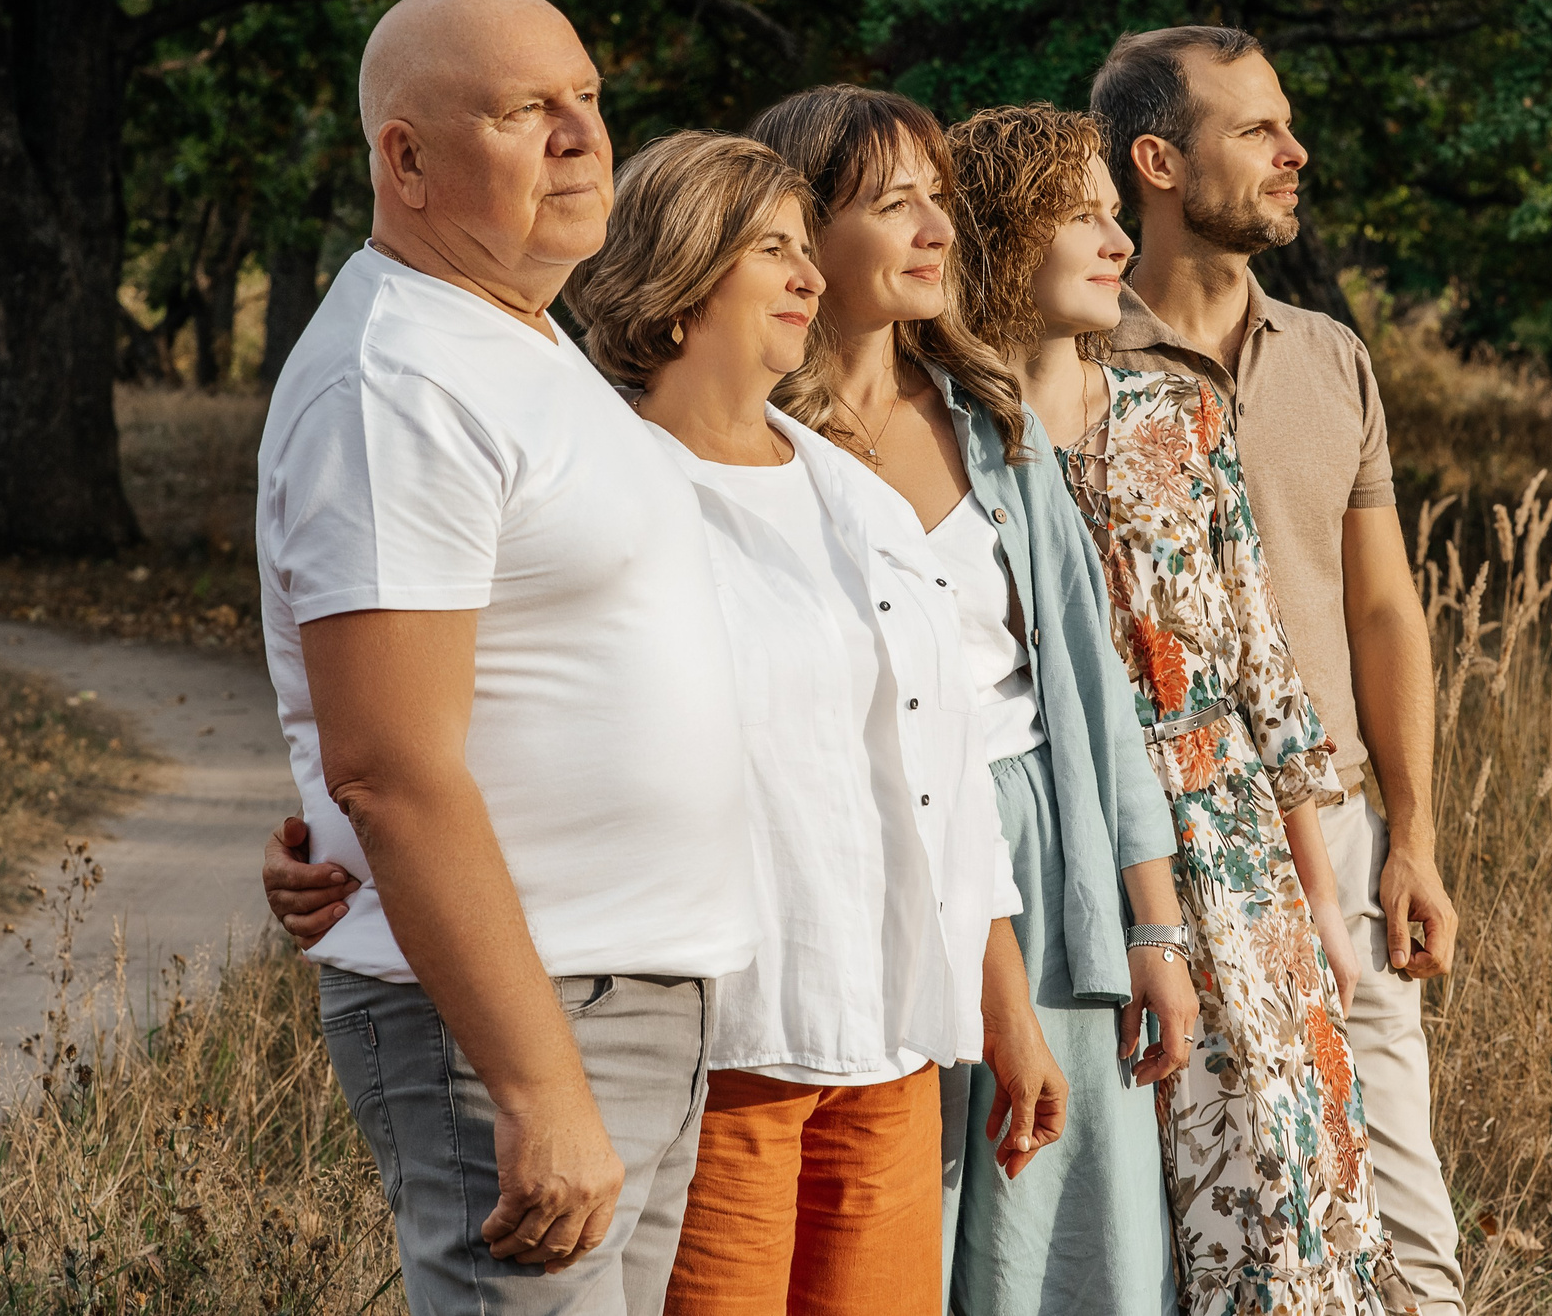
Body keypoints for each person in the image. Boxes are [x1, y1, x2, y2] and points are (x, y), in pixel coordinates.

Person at [255, 0, 755, 1316]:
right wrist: (537, 1085)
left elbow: (469, 688)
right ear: (404, 159)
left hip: (629, 997)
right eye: (529, 109)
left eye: (587, 98)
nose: (584, 136)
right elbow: (393, 767)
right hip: (525, 1021)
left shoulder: (520, 347)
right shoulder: (397, 383)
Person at [944, 105, 1413, 1316]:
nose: (1114, 241)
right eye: (1081, 216)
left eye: (1115, 211)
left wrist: (1316, 891)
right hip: (1054, 840)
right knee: (1099, 1195)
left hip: (1227, 840)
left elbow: (1262, 660)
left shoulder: (1173, 415)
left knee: (1272, 1170)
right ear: (1001, 237)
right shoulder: (947, 437)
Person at [563, 130, 1041, 1316]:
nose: (810, 277)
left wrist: (1006, 1008)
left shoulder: (856, 497)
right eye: (772, 249)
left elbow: (949, 766)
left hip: (888, 1036)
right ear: (677, 285)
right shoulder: (602, 486)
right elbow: (499, 706)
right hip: (723, 1044)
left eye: (804, 248)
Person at [748, 86, 1197, 1316]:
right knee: (892, 1236)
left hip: (1041, 854)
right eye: (895, 204)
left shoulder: (990, 422)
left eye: (939, 196)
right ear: (800, 232)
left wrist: (1152, 929)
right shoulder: (752, 447)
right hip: (863, 879)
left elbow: (1092, 695)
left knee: (1068, 1236)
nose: (935, 226)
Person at [1089, 29, 1466, 1316]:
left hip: (1340, 828)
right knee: (1200, 1210)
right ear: (1156, 160)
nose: (1294, 152)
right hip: (1166, 848)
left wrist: (1407, 835)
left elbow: (1382, 609)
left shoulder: (1328, 353)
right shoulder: (1069, 366)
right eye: (1255, 129)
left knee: (1396, 1180)